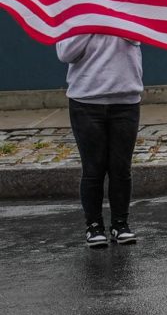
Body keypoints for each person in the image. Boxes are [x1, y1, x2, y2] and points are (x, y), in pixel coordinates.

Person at [57, 33, 143, 247]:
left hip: (125, 98)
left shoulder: (127, 9)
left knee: (121, 167)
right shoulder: (77, 15)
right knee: (93, 168)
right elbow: (65, 53)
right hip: (86, 100)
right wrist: (91, 24)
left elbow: (137, 37)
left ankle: (120, 224)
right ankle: (94, 226)